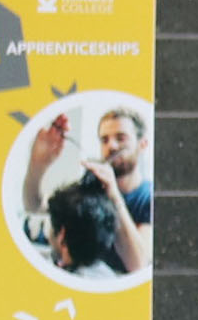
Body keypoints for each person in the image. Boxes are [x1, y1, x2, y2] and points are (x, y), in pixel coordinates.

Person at [20, 106, 152, 276]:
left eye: (121, 138)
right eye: (104, 140)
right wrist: (38, 163)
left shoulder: (149, 197)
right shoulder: (92, 186)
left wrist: (113, 196)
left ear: (143, 145)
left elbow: (138, 264)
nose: (111, 146)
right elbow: (34, 206)